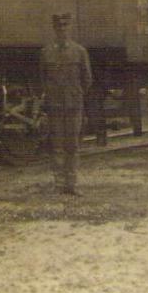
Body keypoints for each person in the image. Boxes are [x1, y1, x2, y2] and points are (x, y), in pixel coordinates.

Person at [40, 13, 92, 196]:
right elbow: (42, 79)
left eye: (65, 25)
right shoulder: (46, 52)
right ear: (54, 28)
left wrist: (75, 95)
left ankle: (72, 184)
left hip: (73, 105)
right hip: (55, 106)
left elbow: (87, 79)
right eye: (59, 26)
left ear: (70, 27)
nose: (62, 29)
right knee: (57, 145)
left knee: (73, 145)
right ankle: (59, 184)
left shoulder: (79, 52)